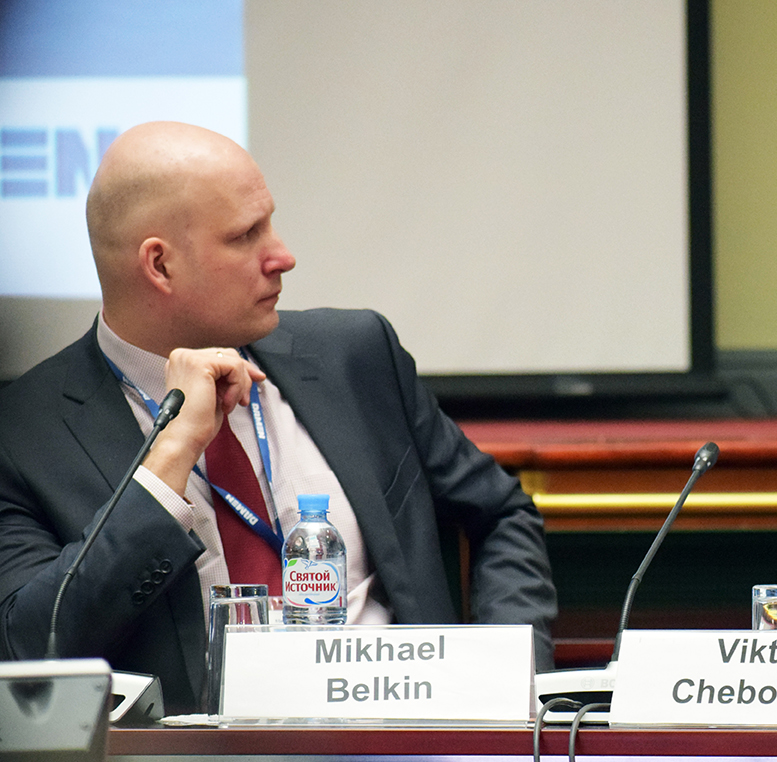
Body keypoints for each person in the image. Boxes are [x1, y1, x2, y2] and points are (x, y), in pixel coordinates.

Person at [0, 121, 557, 713]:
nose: (282, 257)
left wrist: (508, 686)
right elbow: (32, 650)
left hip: (406, 750)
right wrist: (168, 461)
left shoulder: (355, 356)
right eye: (246, 236)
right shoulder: (25, 434)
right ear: (159, 265)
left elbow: (502, 514)